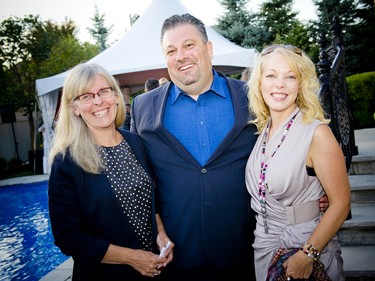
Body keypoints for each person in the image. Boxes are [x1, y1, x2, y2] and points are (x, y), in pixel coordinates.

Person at [130, 13, 258, 281]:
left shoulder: (252, 97)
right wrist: (155, 228)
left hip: (243, 248)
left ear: (208, 49)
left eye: (189, 45)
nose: (181, 56)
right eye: (171, 50)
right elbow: (137, 178)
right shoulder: (142, 107)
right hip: (177, 256)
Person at [47, 62, 173, 280]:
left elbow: (150, 199)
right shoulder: (67, 162)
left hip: (154, 269)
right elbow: (67, 237)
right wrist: (132, 257)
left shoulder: (136, 142)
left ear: (116, 96)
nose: (98, 101)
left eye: (104, 91)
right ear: (75, 107)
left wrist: (160, 233)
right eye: (86, 96)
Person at [244, 44, 351, 280]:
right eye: (271, 75)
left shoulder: (316, 133)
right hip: (264, 246)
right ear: (259, 83)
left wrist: (307, 254)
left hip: (306, 248)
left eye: (290, 76)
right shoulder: (262, 132)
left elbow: (341, 203)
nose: (279, 84)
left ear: (300, 84)